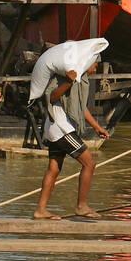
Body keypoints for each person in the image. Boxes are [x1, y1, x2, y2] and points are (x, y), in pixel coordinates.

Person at [33, 64, 105, 220]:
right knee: (89, 163)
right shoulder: (64, 78)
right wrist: (68, 82)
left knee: (54, 168)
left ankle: (40, 209)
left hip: (54, 128)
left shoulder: (78, 79)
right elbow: (51, 97)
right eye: (96, 64)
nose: (95, 69)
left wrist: (97, 127)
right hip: (61, 128)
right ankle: (81, 206)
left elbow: (79, 107)